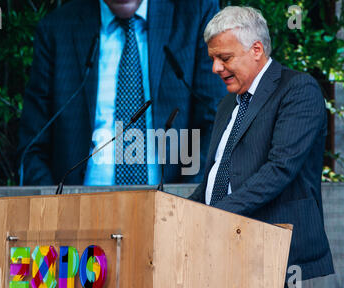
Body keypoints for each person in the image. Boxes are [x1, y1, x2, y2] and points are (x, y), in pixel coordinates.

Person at [188, 6, 334, 288]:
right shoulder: (228, 103)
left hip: (268, 246)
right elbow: (217, 173)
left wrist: (214, 214)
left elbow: (280, 169)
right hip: (219, 243)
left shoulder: (298, 89)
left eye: (224, 58)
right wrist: (179, 214)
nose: (216, 68)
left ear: (256, 49)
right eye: (213, 59)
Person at [18, 0, 226, 186]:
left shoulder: (195, 14)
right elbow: (32, 147)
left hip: (173, 211)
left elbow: (217, 122)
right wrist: (55, 208)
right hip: (79, 213)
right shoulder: (57, 29)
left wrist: (186, 200)